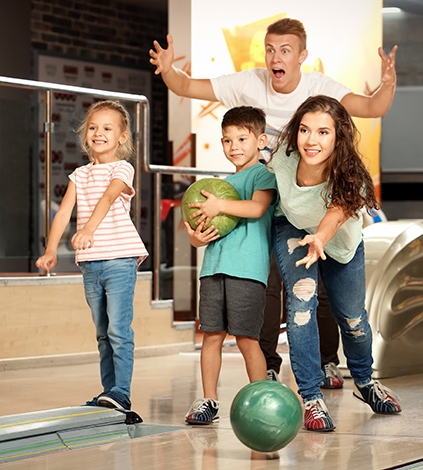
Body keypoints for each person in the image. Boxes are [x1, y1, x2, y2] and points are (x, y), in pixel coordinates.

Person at [149, 17, 398, 388]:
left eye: (285, 50)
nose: (275, 57)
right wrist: (169, 71)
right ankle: (269, 363)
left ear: (302, 56)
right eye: (270, 49)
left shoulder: (320, 88)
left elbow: (373, 107)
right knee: (269, 285)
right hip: (270, 197)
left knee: (326, 289)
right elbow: (186, 85)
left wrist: (389, 82)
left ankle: (329, 362)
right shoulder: (248, 83)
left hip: (313, 198)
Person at [267, 94, 402, 431]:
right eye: (305, 130)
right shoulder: (283, 159)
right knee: (300, 307)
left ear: (339, 137)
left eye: (323, 132)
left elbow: (337, 212)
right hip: (294, 230)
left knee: (353, 319)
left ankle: (365, 381)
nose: (311, 140)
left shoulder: (351, 175)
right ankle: (312, 397)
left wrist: (321, 238)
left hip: (339, 244)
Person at [35, 100, 148, 411]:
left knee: (118, 330)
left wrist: (88, 230)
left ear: (122, 137)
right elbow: (63, 214)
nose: (99, 133)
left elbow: (110, 197)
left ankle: (121, 392)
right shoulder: (79, 175)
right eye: (93, 128)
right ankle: (108, 391)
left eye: (107, 128)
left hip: (119, 261)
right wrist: (50, 250)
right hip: (91, 264)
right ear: (85, 135)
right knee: (102, 333)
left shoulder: (122, 168)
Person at [183, 106, 276, 425]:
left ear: (261, 140)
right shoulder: (220, 184)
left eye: (241, 138)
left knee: (247, 338)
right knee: (211, 335)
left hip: (248, 272)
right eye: (226, 140)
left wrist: (219, 205)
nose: (234, 146)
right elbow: (204, 234)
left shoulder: (262, 175)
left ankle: (261, 399)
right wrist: (195, 238)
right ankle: (209, 400)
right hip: (213, 269)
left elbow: (256, 207)